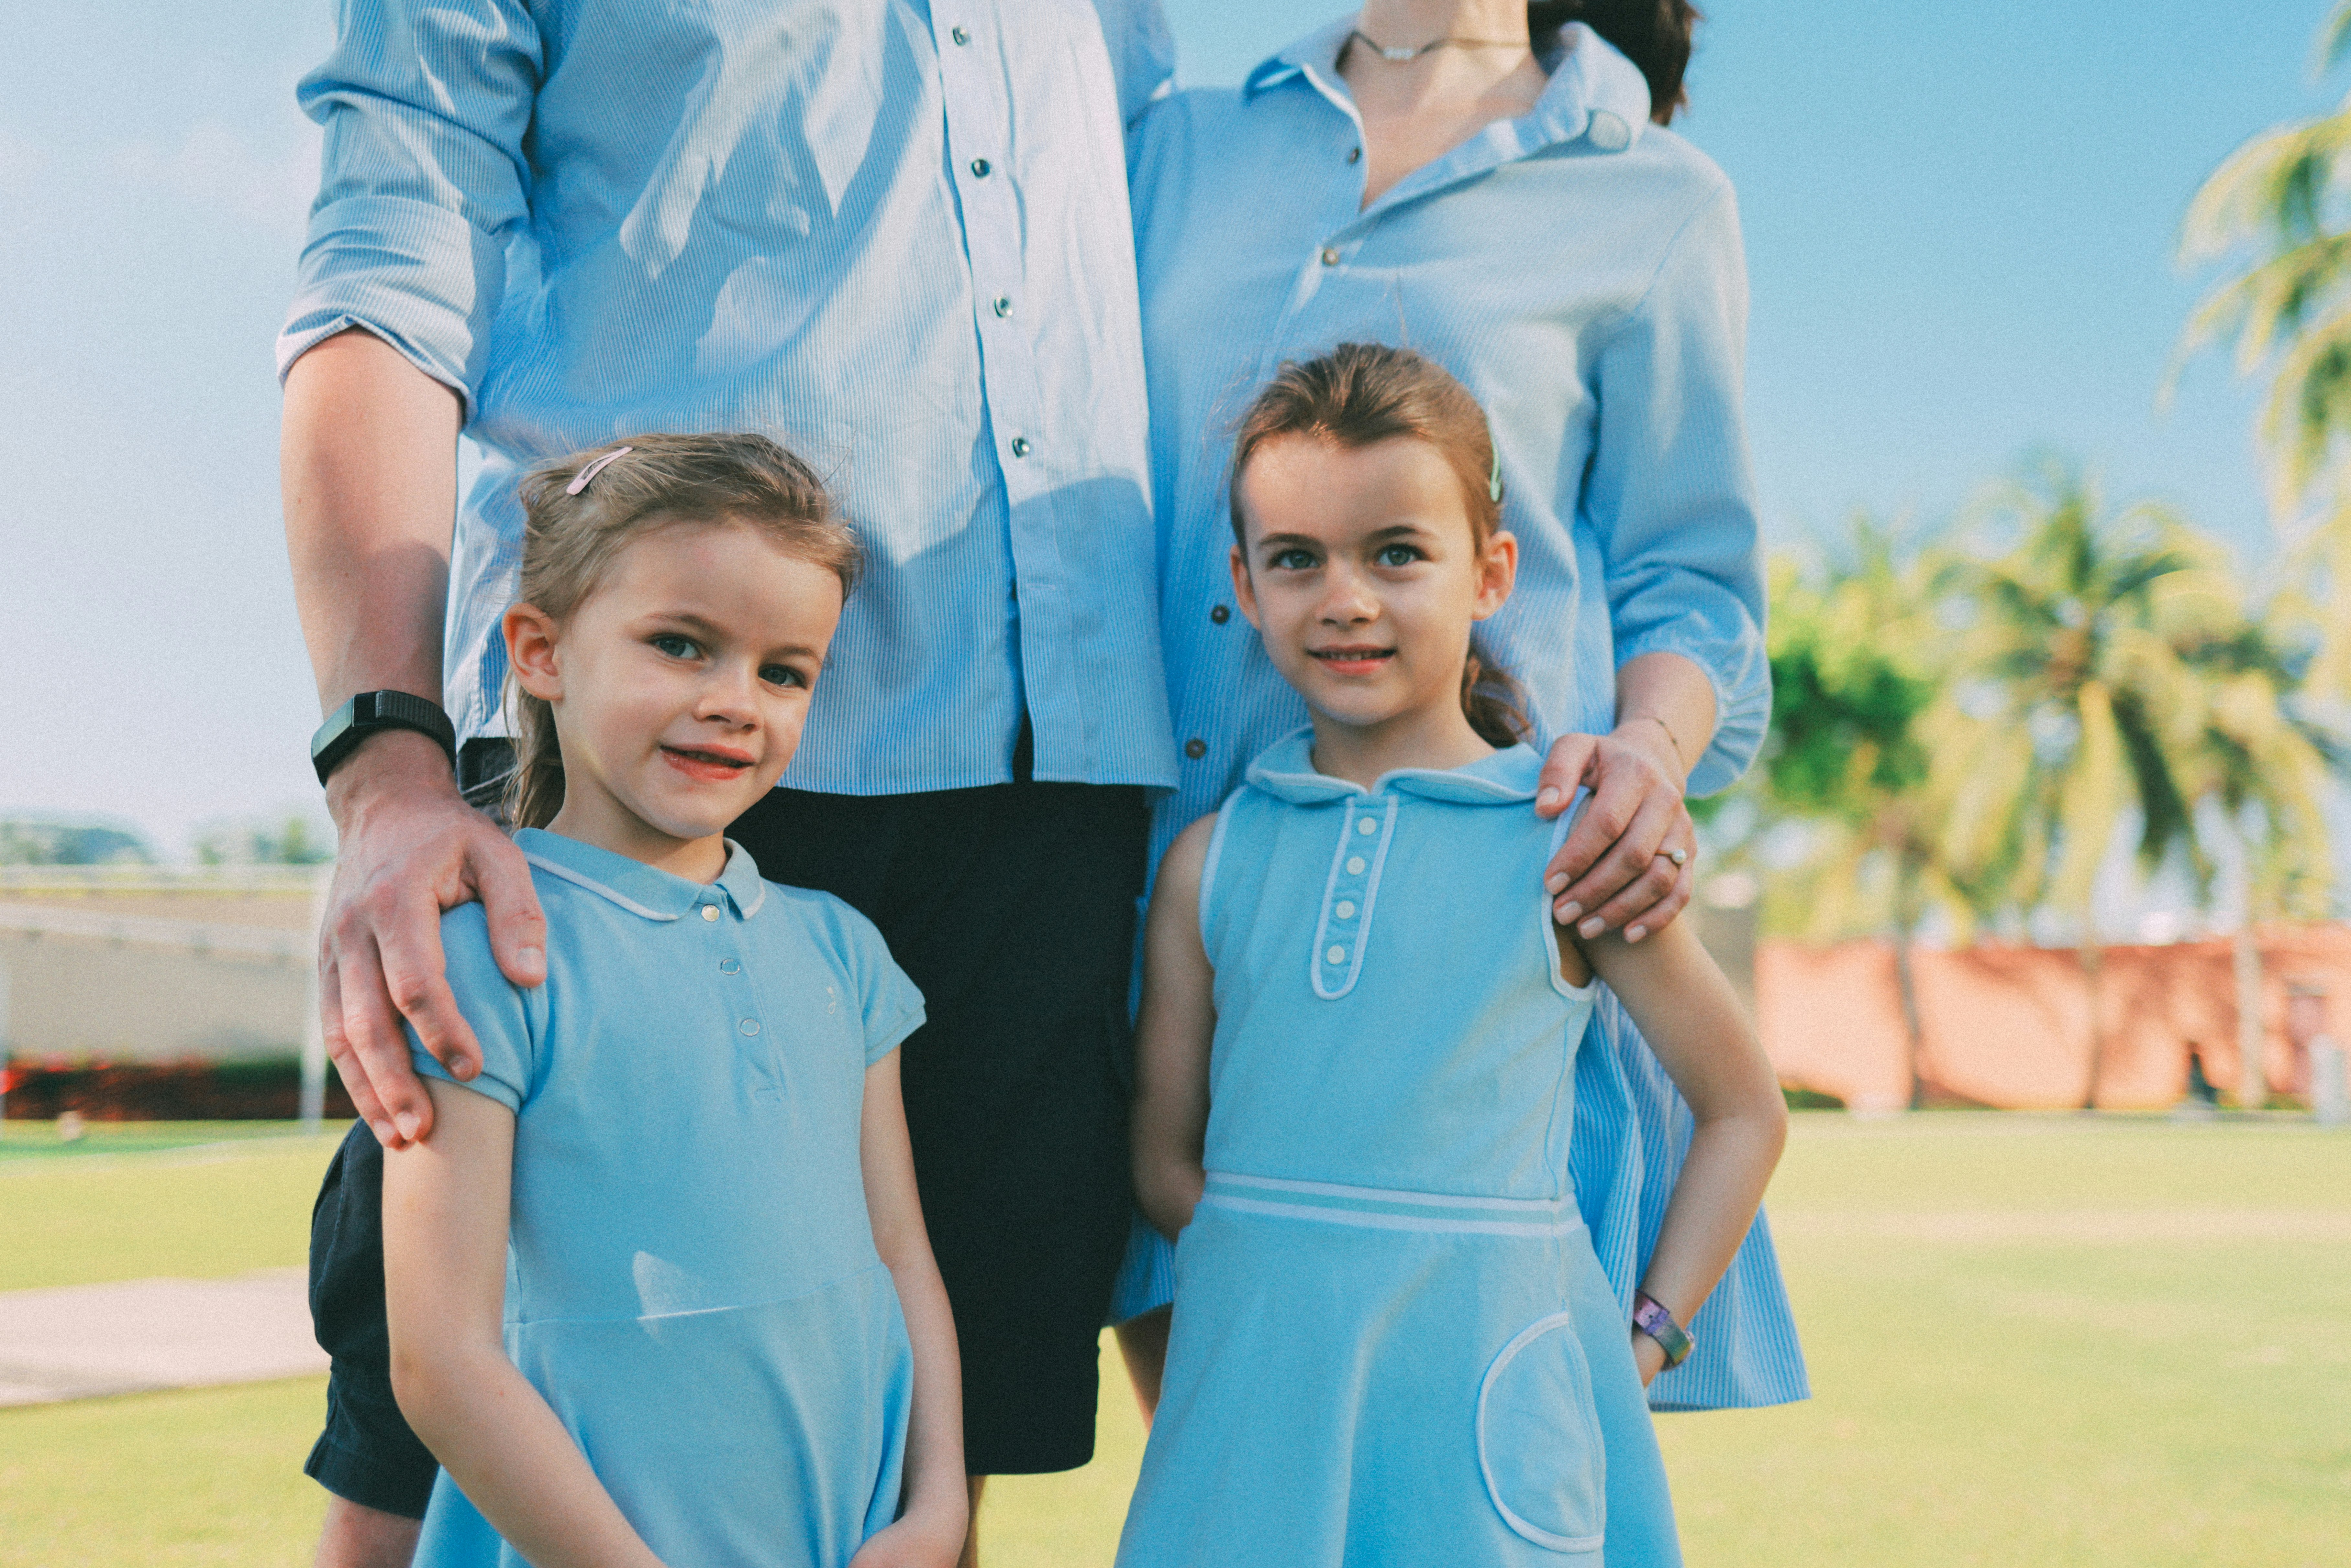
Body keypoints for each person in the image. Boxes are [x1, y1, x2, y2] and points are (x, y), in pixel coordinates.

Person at [278, 7, 1182, 1564]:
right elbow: (389, 260)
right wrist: (387, 764)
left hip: (1052, 775)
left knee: (912, 1464)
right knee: (421, 1444)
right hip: (596, 807)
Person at [1109, 0, 1808, 1417]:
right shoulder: (1174, 145)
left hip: (1481, 927)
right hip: (1169, 913)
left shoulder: (1651, 198)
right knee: (1242, 1483)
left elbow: (1695, 588)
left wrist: (1643, 767)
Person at [1117, 345, 1787, 1565]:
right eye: (1296, 561)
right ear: (1244, 584)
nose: (1347, 598)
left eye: (1396, 553)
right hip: (1259, 1398)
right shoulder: (1208, 862)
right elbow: (1166, 1160)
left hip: (1496, 1391)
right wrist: (1290, 1269)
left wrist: (1648, 1333)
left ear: (1489, 574)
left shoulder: (1567, 840)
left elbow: (1742, 1107)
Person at [382, 435, 964, 1567]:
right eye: (681, 645)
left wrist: (936, 1510)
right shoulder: (485, 952)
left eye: (783, 671)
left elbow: (903, 1255)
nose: (734, 702)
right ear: (541, 652)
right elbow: (438, 1361)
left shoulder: (843, 953)